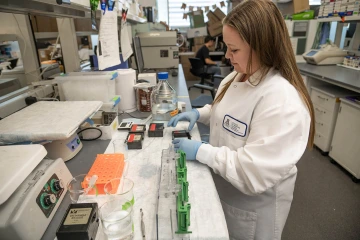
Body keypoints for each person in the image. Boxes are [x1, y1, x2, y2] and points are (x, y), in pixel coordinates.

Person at [168, 0, 315, 239]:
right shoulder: (237, 76)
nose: (227, 56)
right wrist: (200, 113)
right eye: (227, 47)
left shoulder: (282, 101)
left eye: (234, 50)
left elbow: (251, 172)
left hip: (253, 211)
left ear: (262, 46)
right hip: (226, 192)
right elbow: (225, 111)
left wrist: (202, 151)